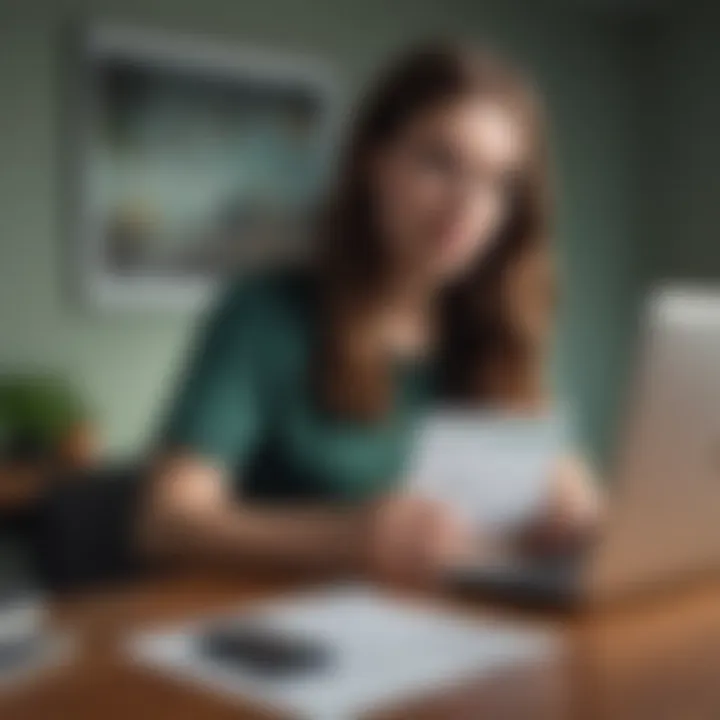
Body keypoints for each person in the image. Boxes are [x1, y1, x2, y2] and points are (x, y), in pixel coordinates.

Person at [138, 42, 601, 584]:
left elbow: (577, 494)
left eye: (497, 182)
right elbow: (163, 523)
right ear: (374, 162)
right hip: (293, 638)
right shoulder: (262, 315)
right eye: (439, 162)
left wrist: (578, 520)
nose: (467, 207)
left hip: (461, 631)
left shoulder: (499, 328)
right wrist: (347, 537)